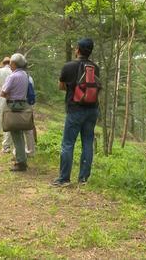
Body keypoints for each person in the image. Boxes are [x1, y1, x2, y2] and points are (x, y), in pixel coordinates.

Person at [52, 38, 100, 187]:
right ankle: (83, 179)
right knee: (87, 143)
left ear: (78, 50)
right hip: (92, 110)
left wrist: (73, 89)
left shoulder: (68, 66)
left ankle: (64, 179)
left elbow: (61, 87)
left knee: (68, 143)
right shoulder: (95, 68)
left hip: (75, 109)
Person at [0, 53, 31, 171]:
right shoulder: (25, 75)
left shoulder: (12, 76)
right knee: (20, 134)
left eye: (11, 63)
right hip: (23, 104)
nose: (10, 65)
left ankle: (21, 162)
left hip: (13, 106)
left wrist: (8, 95)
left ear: (14, 63)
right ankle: (22, 159)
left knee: (16, 134)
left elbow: (3, 92)